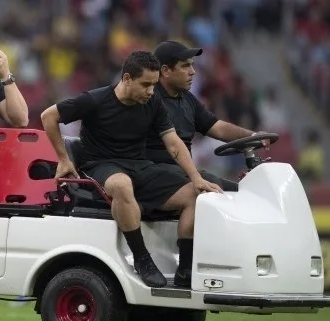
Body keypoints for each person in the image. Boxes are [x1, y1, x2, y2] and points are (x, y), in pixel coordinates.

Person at [41, 51, 222, 288]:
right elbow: (48, 116)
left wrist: (195, 177)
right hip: (101, 166)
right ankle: (142, 258)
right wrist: (64, 159)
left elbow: (173, 143)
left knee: (196, 195)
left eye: (154, 85)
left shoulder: (153, 102)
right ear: (127, 78)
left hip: (141, 167)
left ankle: (185, 271)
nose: (151, 91)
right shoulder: (96, 100)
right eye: (145, 84)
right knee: (122, 184)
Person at [148, 40, 270, 191]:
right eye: (185, 66)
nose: (193, 71)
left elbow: (216, 127)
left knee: (240, 193)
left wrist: (253, 135)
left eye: (192, 65)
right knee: (226, 196)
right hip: (158, 177)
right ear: (165, 71)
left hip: (183, 174)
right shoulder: (148, 99)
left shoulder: (187, 99)